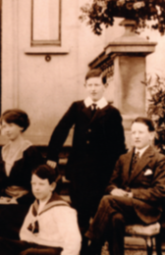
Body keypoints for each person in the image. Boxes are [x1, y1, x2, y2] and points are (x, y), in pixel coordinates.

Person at [46, 68, 126, 237]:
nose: (93, 89)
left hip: (101, 173)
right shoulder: (77, 107)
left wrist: (117, 174)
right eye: (89, 85)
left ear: (104, 86)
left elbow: (119, 146)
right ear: (85, 86)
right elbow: (61, 129)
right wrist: (52, 155)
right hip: (79, 171)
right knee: (79, 213)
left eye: (97, 84)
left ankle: (94, 250)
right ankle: (79, 248)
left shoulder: (112, 113)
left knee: (98, 215)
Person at [85, 117, 165, 255]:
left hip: (148, 210)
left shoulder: (160, 159)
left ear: (151, 135)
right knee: (115, 218)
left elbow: (160, 191)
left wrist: (131, 194)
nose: (136, 136)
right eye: (133, 132)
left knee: (107, 200)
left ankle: (93, 247)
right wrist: (114, 190)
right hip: (124, 208)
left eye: (141, 132)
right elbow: (110, 185)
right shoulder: (124, 158)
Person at [0, 164, 81, 255]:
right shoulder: (35, 205)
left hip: (54, 248)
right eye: (34, 184)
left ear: (52, 186)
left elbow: (74, 241)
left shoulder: (62, 209)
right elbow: (25, 233)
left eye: (41, 184)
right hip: (35, 244)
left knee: (28, 253)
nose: (36, 188)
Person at [0, 109, 45, 239]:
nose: (7, 130)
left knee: (6, 216)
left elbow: (40, 183)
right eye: (4, 126)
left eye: (11, 125)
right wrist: (0, 196)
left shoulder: (31, 152)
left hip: (27, 201)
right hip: (6, 199)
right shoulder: (2, 152)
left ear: (21, 127)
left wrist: (18, 200)